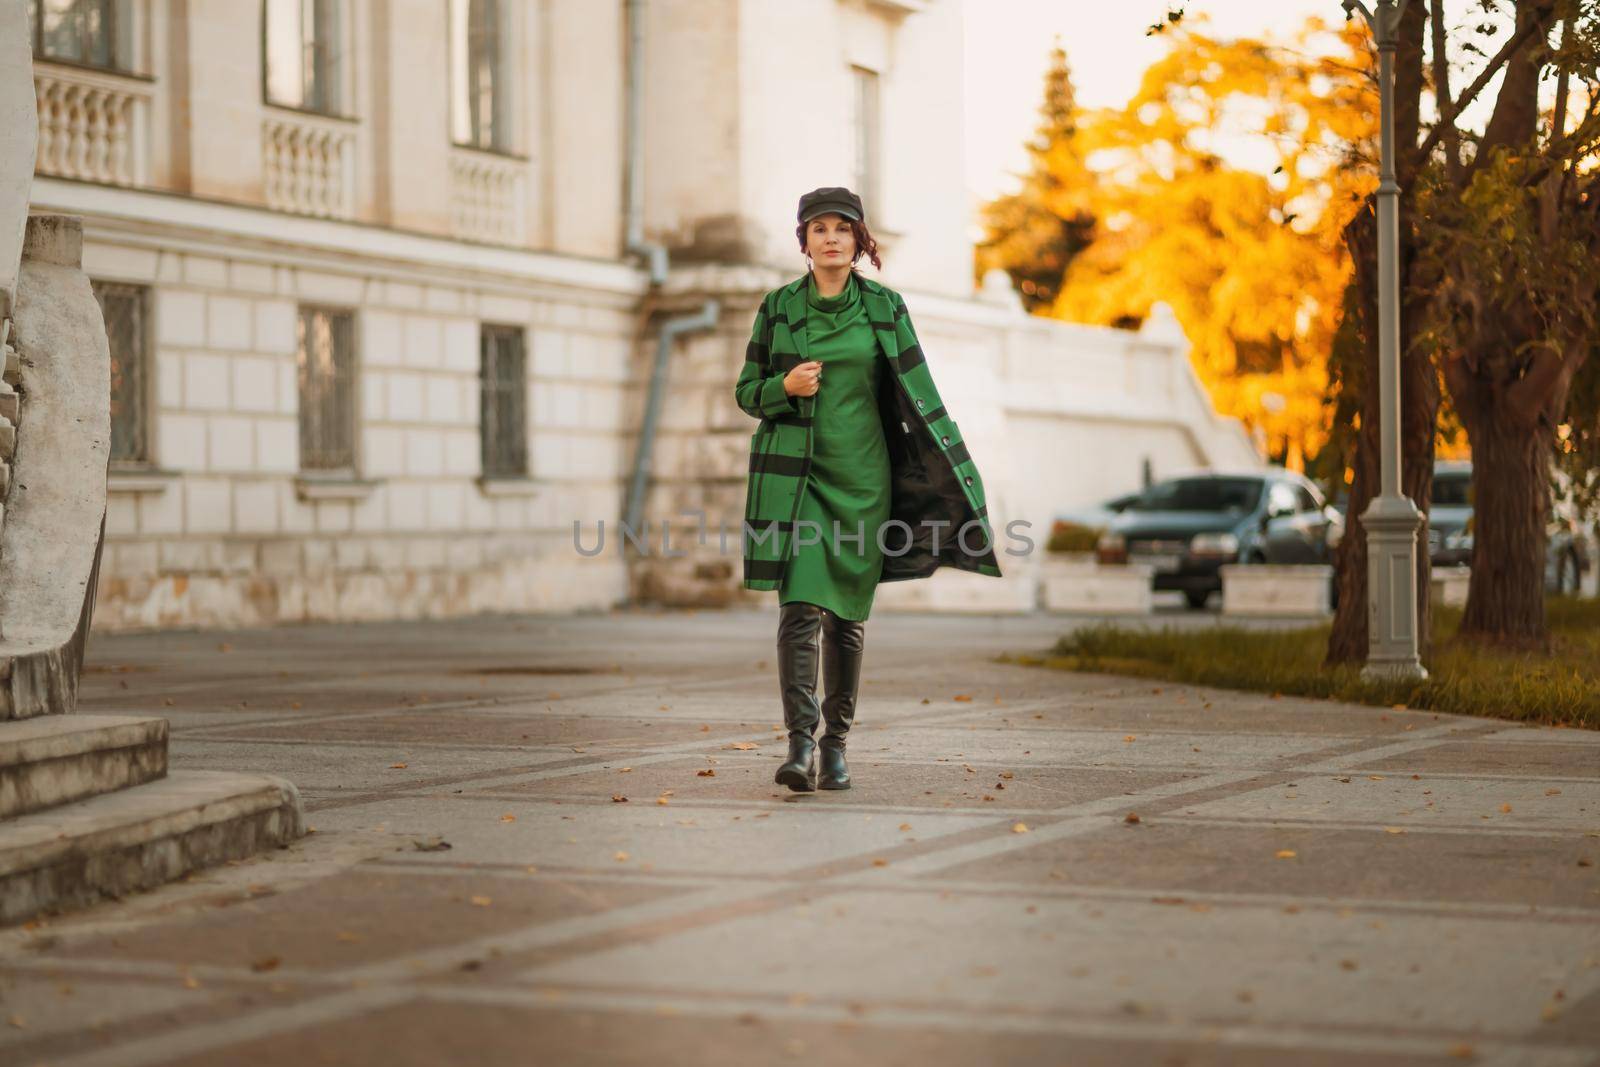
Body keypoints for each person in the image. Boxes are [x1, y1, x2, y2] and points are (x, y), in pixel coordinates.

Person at [734, 186, 1003, 794]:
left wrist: (955, 469)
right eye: (818, 228)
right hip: (796, 481)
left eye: (842, 228)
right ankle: (799, 747)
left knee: (846, 619)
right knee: (799, 610)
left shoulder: (884, 307)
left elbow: (922, 394)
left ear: (859, 241)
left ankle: (836, 747)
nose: (830, 238)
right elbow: (746, 391)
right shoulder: (778, 308)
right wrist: (783, 389)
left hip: (862, 481)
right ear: (802, 240)